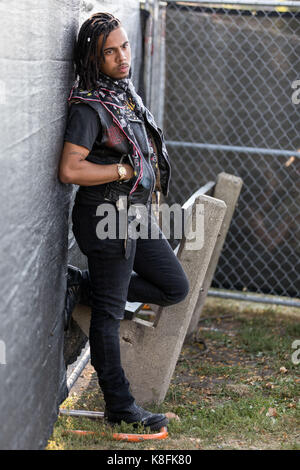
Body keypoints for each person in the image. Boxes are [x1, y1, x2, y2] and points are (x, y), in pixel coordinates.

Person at [59, 12, 189, 431]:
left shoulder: (123, 94)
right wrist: (122, 173)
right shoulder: (90, 106)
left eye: (124, 46)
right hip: (104, 215)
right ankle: (120, 405)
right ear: (93, 59)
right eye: (108, 52)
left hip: (132, 214)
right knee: (109, 314)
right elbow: (70, 170)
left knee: (174, 286)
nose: (121, 57)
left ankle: (85, 284)